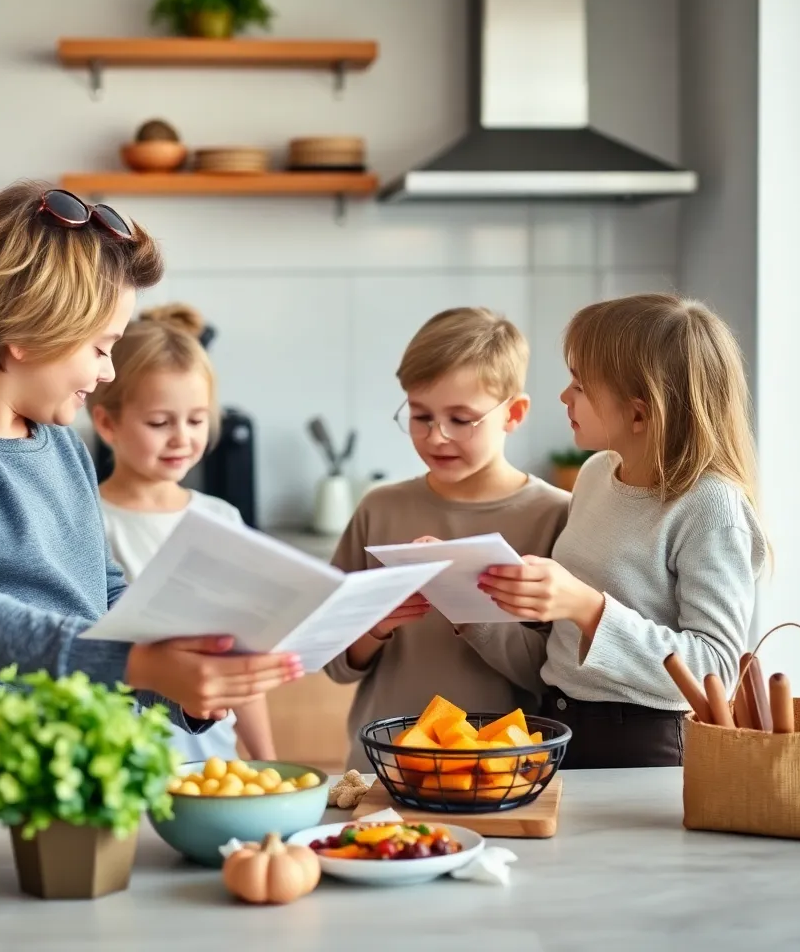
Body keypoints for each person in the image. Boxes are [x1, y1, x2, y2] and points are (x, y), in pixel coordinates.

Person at [0, 182, 301, 760]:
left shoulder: (58, 435)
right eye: (100, 347)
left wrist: (177, 680)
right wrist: (135, 661)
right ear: (27, 332)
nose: (109, 371)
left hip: (83, 764)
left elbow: (100, 591)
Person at [479, 294, 767, 768]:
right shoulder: (595, 473)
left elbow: (715, 670)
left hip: (643, 744)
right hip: (558, 722)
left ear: (639, 413)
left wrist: (588, 608)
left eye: (580, 385)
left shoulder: (711, 506)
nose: (565, 397)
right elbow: (566, 638)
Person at [323, 307, 570, 772]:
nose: (437, 437)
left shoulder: (556, 515)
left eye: (461, 419)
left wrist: (466, 605)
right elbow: (333, 662)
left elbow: (551, 677)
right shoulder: (379, 508)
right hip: (385, 767)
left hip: (501, 774)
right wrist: (375, 624)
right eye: (421, 416)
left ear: (514, 413)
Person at [86, 302, 276, 764]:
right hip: (117, 763)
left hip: (213, 760)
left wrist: (268, 761)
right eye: (159, 422)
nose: (181, 438)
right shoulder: (88, 519)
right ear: (107, 423)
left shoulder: (222, 519)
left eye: (196, 420)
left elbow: (239, 663)